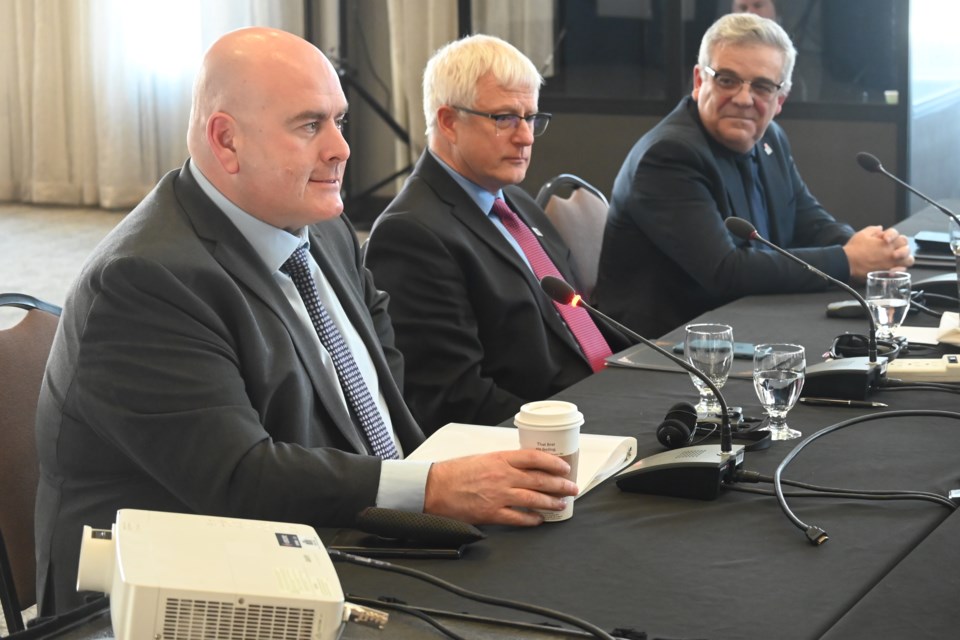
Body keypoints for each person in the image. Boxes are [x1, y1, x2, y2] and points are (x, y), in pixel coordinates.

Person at [34, 27, 578, 615]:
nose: (341, 149)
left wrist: (435, 495)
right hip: (178, 590)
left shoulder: (323, 227)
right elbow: (238, 478)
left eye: (339, 121)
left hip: (330, 540)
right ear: (226, 140)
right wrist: (433, 489)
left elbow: (379, 391)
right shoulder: (145, 281)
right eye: (309, 125)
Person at [364, 34, 627, 435]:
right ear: (448, 121)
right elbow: (453, 397)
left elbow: (576, 322)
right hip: (542, 440)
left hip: (598, 401)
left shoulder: (515, 202)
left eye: (532, 118)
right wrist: (576, 430)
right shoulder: (411, 234)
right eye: (505, 118)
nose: (525, 137)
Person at [593, 13, 913, 339]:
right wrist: (848, 261)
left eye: (762, 86)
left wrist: (866, 248)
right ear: (699, 81)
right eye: (727, 80)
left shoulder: (770, 137)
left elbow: (807, 220)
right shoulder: (668, 156)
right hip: (665, 350)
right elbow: (725, 270)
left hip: (743, 327)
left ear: (780, 100)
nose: (744, 99)